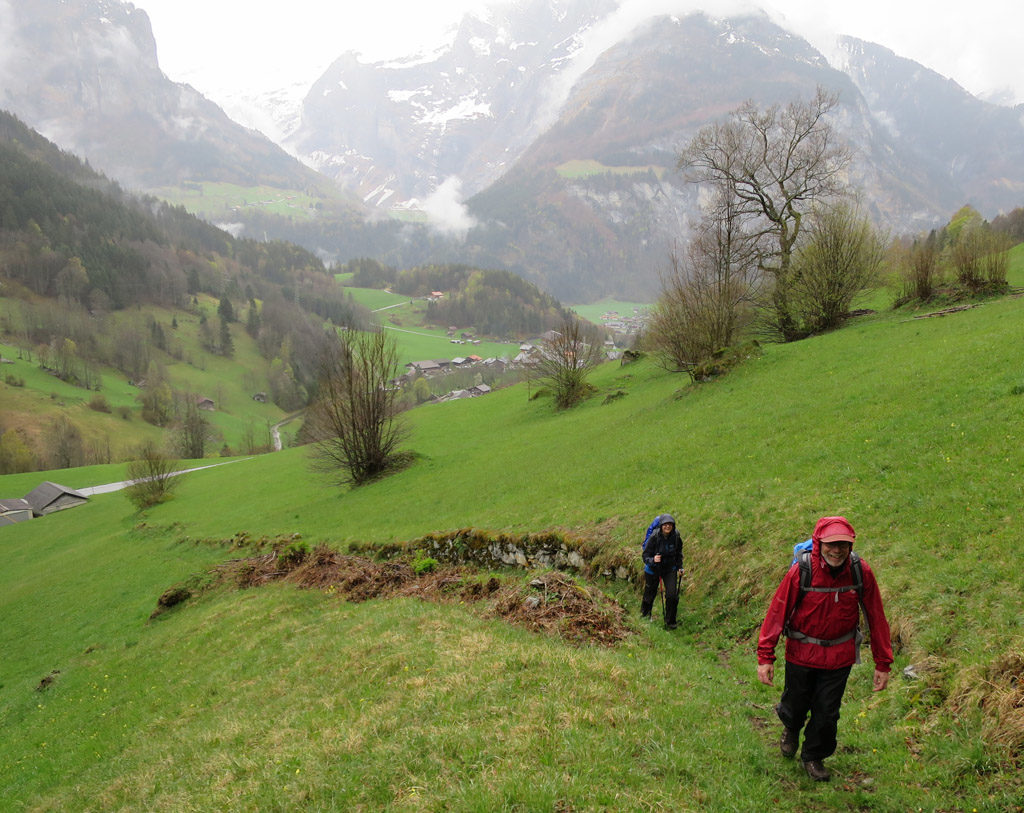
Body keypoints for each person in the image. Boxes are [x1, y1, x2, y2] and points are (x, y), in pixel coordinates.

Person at [756, 516, 893, 782]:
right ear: (819, 544)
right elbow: (777, 612)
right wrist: (765, 657)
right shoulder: (802, 571)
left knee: (827, 712)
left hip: (838, 657)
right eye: (831, 544)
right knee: (795, 703)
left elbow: (876, 616)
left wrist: (883, 663)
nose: (837, 550)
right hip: (801, 654)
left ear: (851, 545)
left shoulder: (860, 571)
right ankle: (791, 728)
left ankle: (813, 756)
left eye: (843, 544)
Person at [641, 514, 684, 629]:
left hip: (670, 569)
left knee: (672, 595)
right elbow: (645, 556)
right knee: (650, 594)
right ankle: (645, 616)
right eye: (665, 524)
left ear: (673, 526)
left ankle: (670, 622)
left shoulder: (676, 537)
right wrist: (653, 560)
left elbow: (678, 553)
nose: (667, 526)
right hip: (653, 569)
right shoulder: (654, 537)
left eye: (670, 524)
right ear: (661, 526)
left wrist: (680, 567)